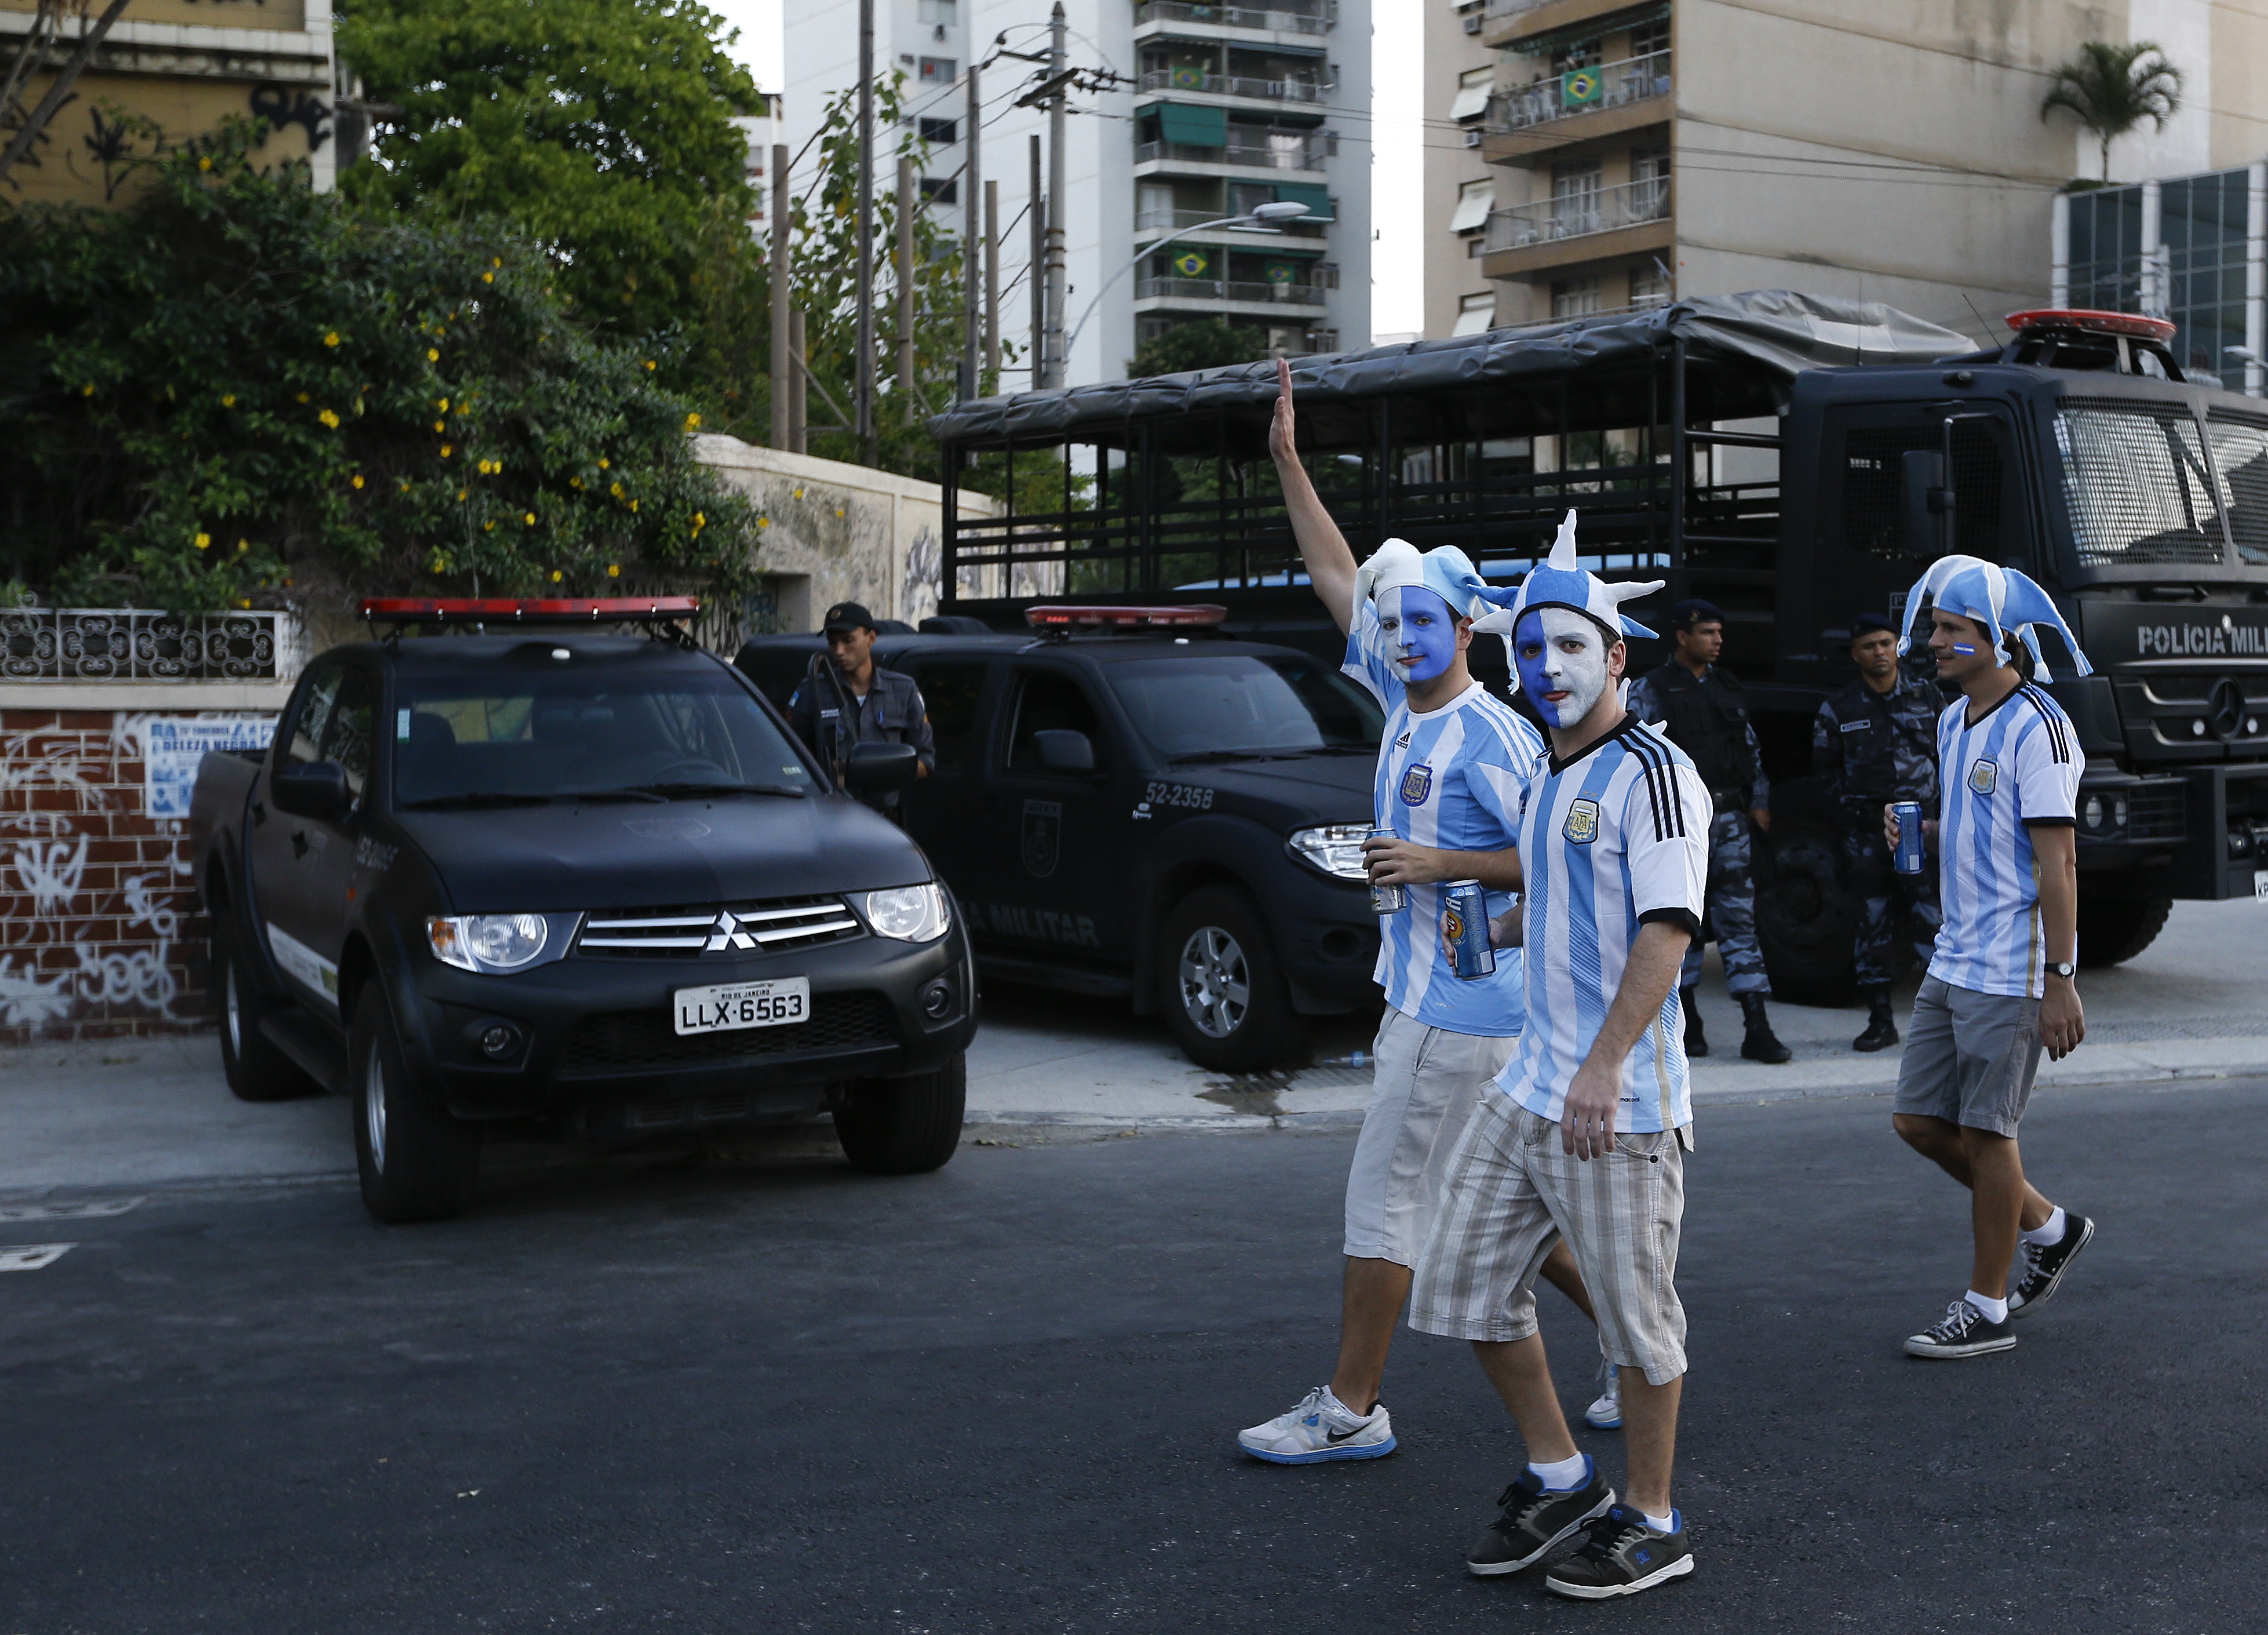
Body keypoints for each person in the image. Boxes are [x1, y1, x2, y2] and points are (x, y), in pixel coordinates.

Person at [1237, 359, 1621, 1465]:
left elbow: (1550, 863)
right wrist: (1288, 463)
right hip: (1429, 1000)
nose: (1397, 634)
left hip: (1460, 1014)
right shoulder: (1398, 689)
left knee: (1385, 1201)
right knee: (1480, 1203)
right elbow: (1332, 572)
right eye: (1390, 620)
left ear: (1465, 628)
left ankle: (1351, 1407)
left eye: (1421, 621)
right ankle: (1635, 1344)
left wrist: (1431, 860)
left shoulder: (1491, 733)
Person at [1408, 514, 1710, 1600]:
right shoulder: (1544, 771)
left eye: (1569, 646)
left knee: (1637, 1326)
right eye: (1528, 649)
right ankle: (1558, 1474)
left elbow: (1664, 932)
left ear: (1615, 654)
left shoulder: (1655, 773)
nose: (1544, 667)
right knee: (1460, 1288)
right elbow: (1563, 904)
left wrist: (1600, 1065)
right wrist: (1489, 930)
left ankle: (1652, 1517)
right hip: (1526, 1085)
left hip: (1615, 1101)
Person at [1885, 555, 2097, 1361]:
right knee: (1915, 1121)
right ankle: (2050, 1226)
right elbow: (1984, 827)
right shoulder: (1952, 719)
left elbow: (2058, 863)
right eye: (1935, 626)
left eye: (1951, 630)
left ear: (1996, 641)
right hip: (1953, 955)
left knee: (1985, 1132)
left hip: (2012, 967)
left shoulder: (2040, 726)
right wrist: (1927, 835)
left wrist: (2061, 981)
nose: (1932, 641)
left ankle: (1986, 1306)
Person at [1626, 599, 1789, 1064]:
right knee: (1682, 919)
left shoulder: (1726, 686)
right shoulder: (1651, 689)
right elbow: (1641, 751)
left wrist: (1759, 803)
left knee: (1740, 917)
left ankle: (1756, 1024)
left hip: (1732, 818)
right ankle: (1688, 1021)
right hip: (1681, 820)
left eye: (1720, 632)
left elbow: (1750, 750)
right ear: (1683, 635)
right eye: (1708, 633)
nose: (1718, 640)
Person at [1812, 614, 1946, 1051]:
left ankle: (1944, 1019)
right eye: (1869, 645)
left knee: (1933, 919)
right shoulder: (1839, 708)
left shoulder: (1929, 697)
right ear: (1856, 654)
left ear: (1898, 647)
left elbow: (1951, 757)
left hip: (1921, 829)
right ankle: (1880, 1019)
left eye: (1886, 642)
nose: (1879, 652)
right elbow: (1825, 772)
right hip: (1867, 832)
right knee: (1872, 922)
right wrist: (1855, 816)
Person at [785, 601, 934, 818]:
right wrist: (828, 773)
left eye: (848, 641)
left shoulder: (903, 691)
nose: (839, 651)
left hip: (885, 819)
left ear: (871, 639)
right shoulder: (812, 692)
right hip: (829, 816)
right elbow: (788, 758)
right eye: (832, 643)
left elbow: (926, 763)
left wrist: (878, 771)